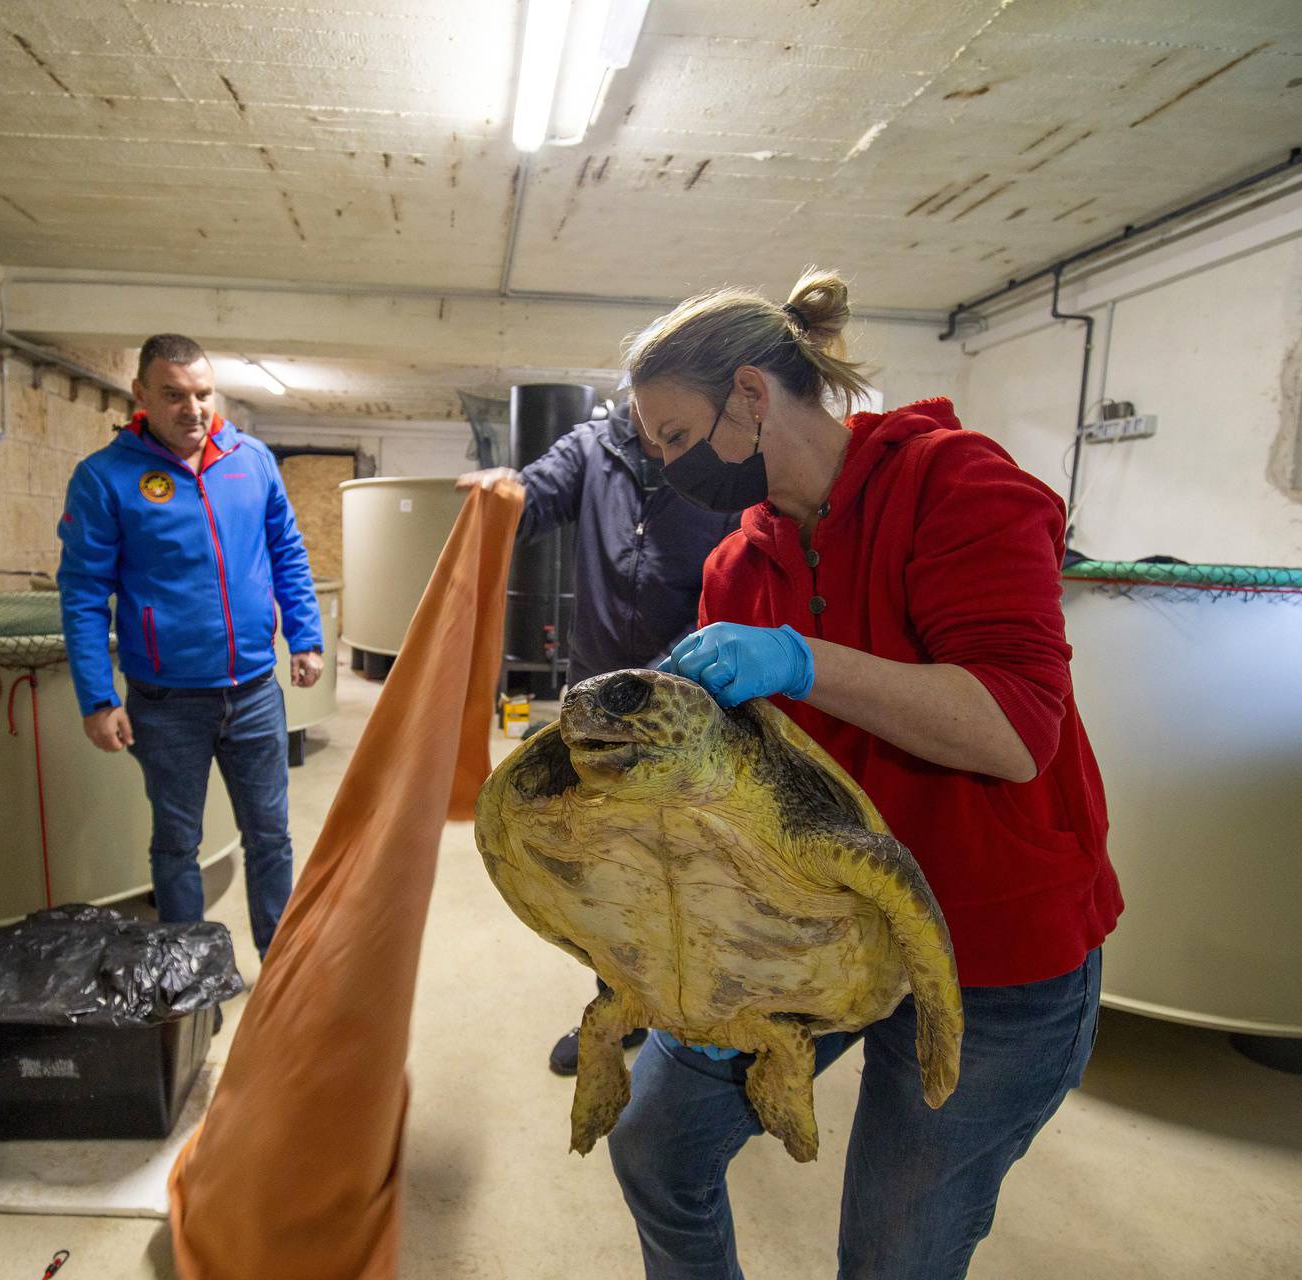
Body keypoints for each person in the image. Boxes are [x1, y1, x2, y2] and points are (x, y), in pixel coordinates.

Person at [610, 268, 1122, 1279]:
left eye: (676, 436)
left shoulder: (958, 487)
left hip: (991, 952)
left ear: (752, 397)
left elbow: (1016, 731)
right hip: (829, 924)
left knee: (894, 1252)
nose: (667, 467)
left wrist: (803, 657)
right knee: (656, 1138)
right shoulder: (738, 566)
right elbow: (770, 779)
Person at [457, 401, 739, 1076]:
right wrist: (503, 497)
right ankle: (619, 1010)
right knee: (613, 872)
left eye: (675, 419)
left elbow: (740, 572)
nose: (662, 434)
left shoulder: (720, 454)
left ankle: (712, 1016)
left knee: (700, 868)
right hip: (598, 708)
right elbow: (538, 494)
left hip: (692, 702)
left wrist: (681, 668)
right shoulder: (593, 447)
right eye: (650, 411)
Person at [57, 333, 324, 962]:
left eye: (203, 393)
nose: (193, 408)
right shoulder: (104, 479)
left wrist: (305, 637)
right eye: (174, 395)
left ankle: (277, 963)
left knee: (270, 838)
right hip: (166, 700)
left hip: (255, 692)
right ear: (142, 395)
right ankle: (188, 967)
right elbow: (84, 592)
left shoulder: (251, 460)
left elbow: (287, 551)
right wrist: (98, 697)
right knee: (176, 843)